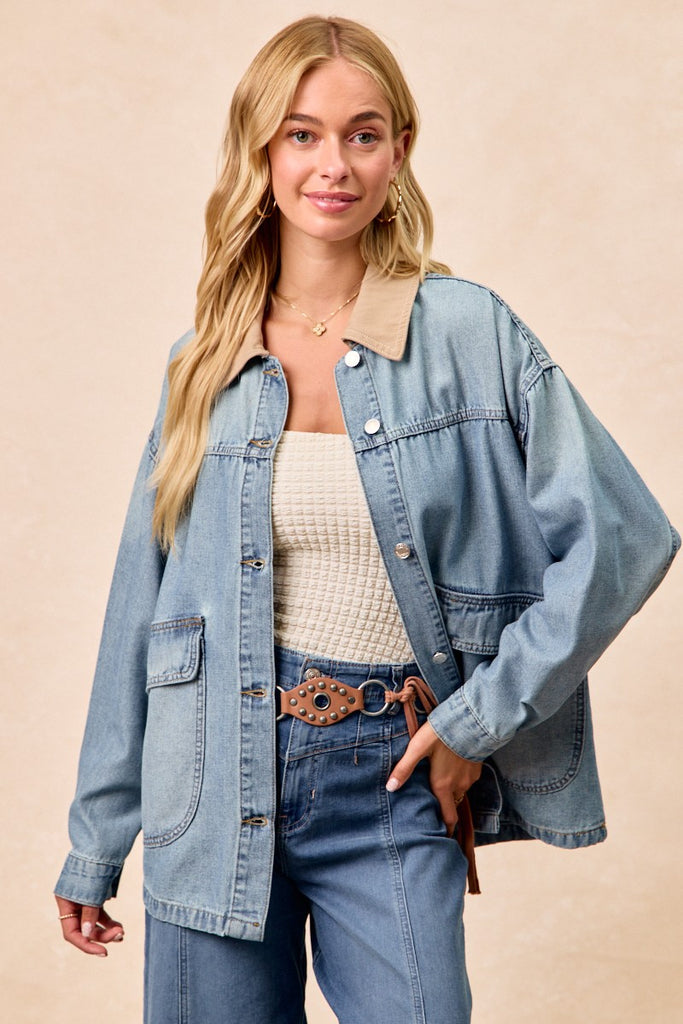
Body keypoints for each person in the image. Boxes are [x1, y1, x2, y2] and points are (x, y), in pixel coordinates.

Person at [54, 14, 678, 1024]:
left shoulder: (469, 335)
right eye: (301, 134)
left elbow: (624, 538)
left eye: (362, 134)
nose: (332, 165)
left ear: (399, 151)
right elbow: (145, 611)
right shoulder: (202, 362)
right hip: (206, 781)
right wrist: (96, 837)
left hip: (389, 776)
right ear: (261, 150)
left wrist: (475, 719)